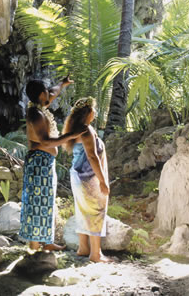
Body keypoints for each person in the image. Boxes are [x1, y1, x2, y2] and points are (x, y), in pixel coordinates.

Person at [19, 76, 85, 251]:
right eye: (47, 92)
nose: (51, 94)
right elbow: (46, 141)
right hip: (39, 162)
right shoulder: (37, 114)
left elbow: (53, 93)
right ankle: (34, 245)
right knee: (36, 201)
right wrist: (71, 135)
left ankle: (46, 242)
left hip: (45, 161)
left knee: (46, 201)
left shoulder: (39, 107)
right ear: (42, 94)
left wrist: (63, 83)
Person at [63, 96, 111, 262]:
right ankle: (96, 254)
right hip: (88, 178)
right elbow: (92, 156)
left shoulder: (77, 129)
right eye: (94, 109)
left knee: (83, 211)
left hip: (77, 176)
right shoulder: (86, 130)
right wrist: (103, 181)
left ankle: (83, 248)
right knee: (96, 211)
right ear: (88, 112)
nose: (96, 112)